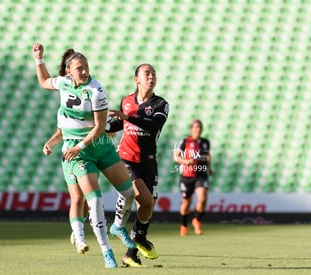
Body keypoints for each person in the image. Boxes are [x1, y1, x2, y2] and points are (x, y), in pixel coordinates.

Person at [33, 42, 136, 268]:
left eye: (86, 66)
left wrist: (80, 145)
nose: (84, 71)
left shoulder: (96, 91)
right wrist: (39, 59)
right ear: (69, 71)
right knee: (94, 199)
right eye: (79, 68)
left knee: (129, 193)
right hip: (78, 153)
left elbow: (100, 127)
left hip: (98, 145)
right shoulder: (63, 83)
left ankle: (117, 226)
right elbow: (43, 81)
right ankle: (106, 251)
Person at [107, 64, 169, 267]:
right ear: (137, 79)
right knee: (144, 199)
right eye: (147, 74)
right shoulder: (126, 101)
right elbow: (120, 125)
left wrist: (127, 117)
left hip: (149, 161)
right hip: (126, 159)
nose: (151, 77)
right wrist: (104, 125)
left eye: (153, 74)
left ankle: (131, 252)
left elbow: (153, 125)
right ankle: (131, 234)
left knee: (148, 206)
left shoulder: (161, 104)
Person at [43, 127, 90, 255]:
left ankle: (78, 227)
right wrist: (48, 144)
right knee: (78, 198)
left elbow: (107, 130)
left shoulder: (94, 110)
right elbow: (60, 133)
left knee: (87, 202)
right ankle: (80, 238)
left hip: (91, 157)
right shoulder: (64, 110)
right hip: (71, 158)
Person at [173, 119, 213, 236]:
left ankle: (196, 219)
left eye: (200, 127)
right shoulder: (185, 141)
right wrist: (185, 161)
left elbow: (207, 156)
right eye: (195, 127)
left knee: (203, 198)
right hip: (187, 176)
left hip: (201, 174)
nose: (198, 129)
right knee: (187, 202)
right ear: (191, 129)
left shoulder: (205, 142)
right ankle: (184, 225)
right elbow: (176, 157)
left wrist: (209, 168)